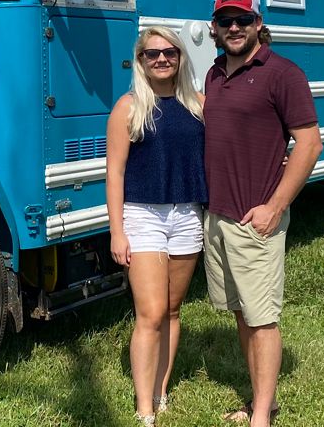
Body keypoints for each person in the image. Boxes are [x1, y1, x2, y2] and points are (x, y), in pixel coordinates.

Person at [202, 0, 322, 427]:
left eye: (243, 20)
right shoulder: (214, 74)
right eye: (225, 21)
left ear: (258, 24)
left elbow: (309, 145)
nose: (234, 28)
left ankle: (261, 418)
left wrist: (273, 207)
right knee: (241, 312)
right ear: (214, 28)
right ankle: (260, 401)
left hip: (256, 218)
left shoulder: (283, 74)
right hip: (217, 216)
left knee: (262, 318)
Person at [105, 26, 208, 427]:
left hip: (186, 215)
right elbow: (114, 173)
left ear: (181, 57)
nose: (162, 59)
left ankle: (162, 392)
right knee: (149, 313)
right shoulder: (128, 108)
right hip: (143, 215)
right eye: (152, 54)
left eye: (169, 52)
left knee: (172, 309)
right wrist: (117, 230)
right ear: (141, 61)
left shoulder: (198, 106)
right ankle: (144, 408)